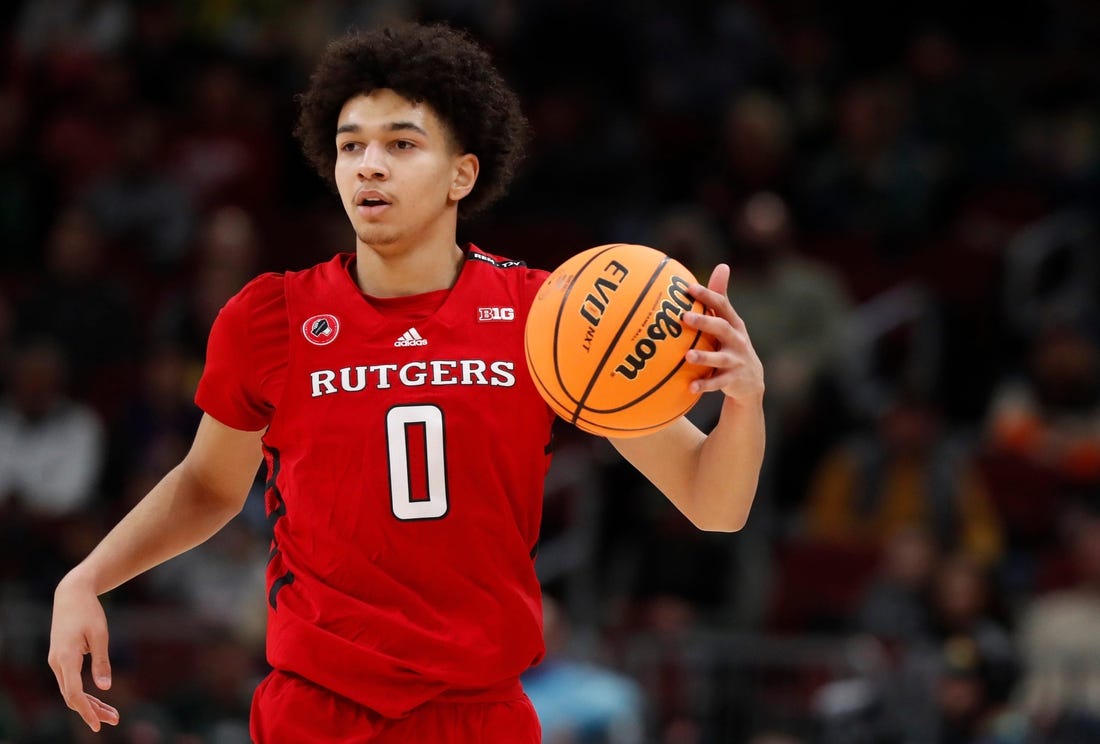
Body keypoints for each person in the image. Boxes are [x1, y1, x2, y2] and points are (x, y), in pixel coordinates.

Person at [47, 23, 766, 742]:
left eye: (401, 143)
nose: (369, 165)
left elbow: (713, 501)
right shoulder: (269, 317)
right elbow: (208, 486)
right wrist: (87, 577)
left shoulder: (548, 318)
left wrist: (742, 402)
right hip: (316, 710)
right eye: (351, 145)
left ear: (463, 174)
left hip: (479, 713)